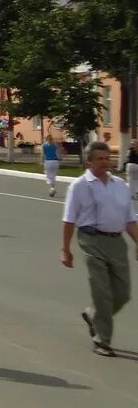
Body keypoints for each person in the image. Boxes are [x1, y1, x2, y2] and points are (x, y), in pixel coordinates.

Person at [60, 140, 138, 357]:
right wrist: (65, 249)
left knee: (123, 294)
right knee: (102, 292)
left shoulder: (120, 185)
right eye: (100, 159)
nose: (105, 162)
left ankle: (93, 315)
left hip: (117, 242)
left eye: (107, 158)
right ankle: (102, 341)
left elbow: (129, 219)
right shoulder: (79, 186)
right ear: (89, 162)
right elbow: (68, 220)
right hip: (91, 240)